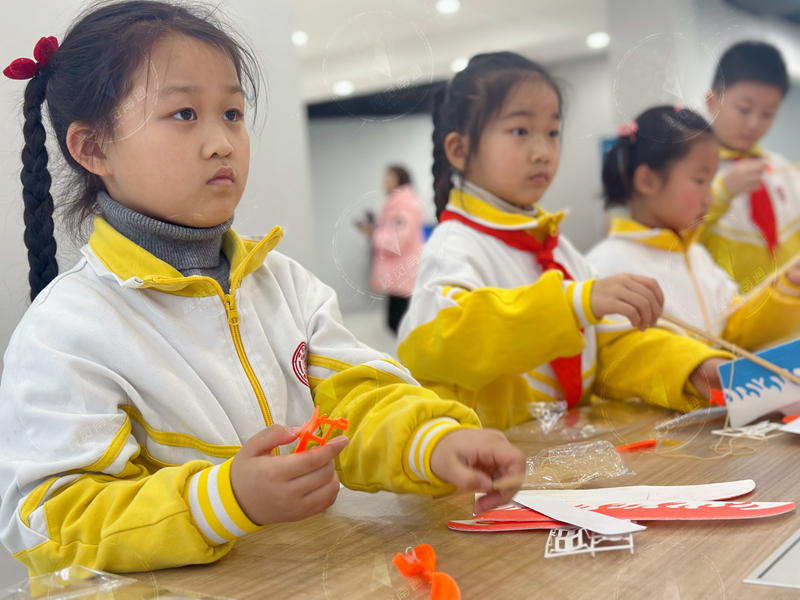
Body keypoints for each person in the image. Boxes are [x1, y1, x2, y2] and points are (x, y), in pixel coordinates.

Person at [0, 2, 524, 575]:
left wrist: (432, 443)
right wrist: (221, 501)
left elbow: (358, 401)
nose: (222, 142)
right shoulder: (66, 330)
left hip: (301, 579)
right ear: (94, 148)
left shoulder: (286, 285)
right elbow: (48, 523)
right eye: (183, 113)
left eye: (232, 113)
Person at [396, 52, 730, 430]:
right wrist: (571, 303)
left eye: (552, 133)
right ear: (459, 150)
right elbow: (443, 341)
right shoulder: (454, 245)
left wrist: (691, 368)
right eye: (520, 131)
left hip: (561, 453)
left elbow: (605, 352)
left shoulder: (558, 250)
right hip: (488, 457)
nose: (543, 152)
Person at [587, 106, 800, 349]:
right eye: (700, 180)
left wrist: (789, 287)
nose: (709, 198)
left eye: (711, 181)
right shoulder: (607, 266)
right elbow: (627, 355)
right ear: (647, 181)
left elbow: (734, 329)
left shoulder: (697, 257)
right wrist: (697, 365)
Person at [700, 41, 800, 287]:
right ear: (711, 101)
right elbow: (675, 243)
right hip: (727, 308)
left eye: (768, 113)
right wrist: (721, 193)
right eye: (744, 109)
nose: (754, 124)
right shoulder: (690, 172)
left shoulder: (780, 167)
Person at [363, 166, 424, 333]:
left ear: (400, 180)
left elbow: (397, 241)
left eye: (389, 178)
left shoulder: (406, 205)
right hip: (397, 275)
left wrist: (374, 234)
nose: (384, 182)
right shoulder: (393, 204)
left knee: (401, 326)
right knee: (397, 325)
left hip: (404, 274)